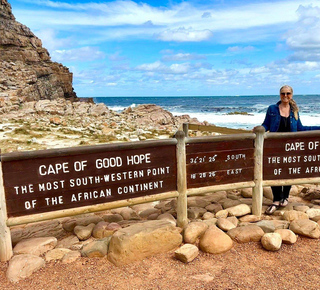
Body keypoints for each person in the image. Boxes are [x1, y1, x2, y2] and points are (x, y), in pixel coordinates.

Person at [261, 85, 320, 214]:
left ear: (291, 95)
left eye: (288, 93)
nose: (285, 96)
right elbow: (266, 124)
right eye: (283, 93)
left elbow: (301, 128)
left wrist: (318, 128)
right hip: (275, 146)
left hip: (290, 147)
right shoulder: (272, 109)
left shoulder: (294, 110)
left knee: (288, 171)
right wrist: (260, 130)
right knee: (274, 172)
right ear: (280, 95)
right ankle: (276, 200)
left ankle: (285, 197)